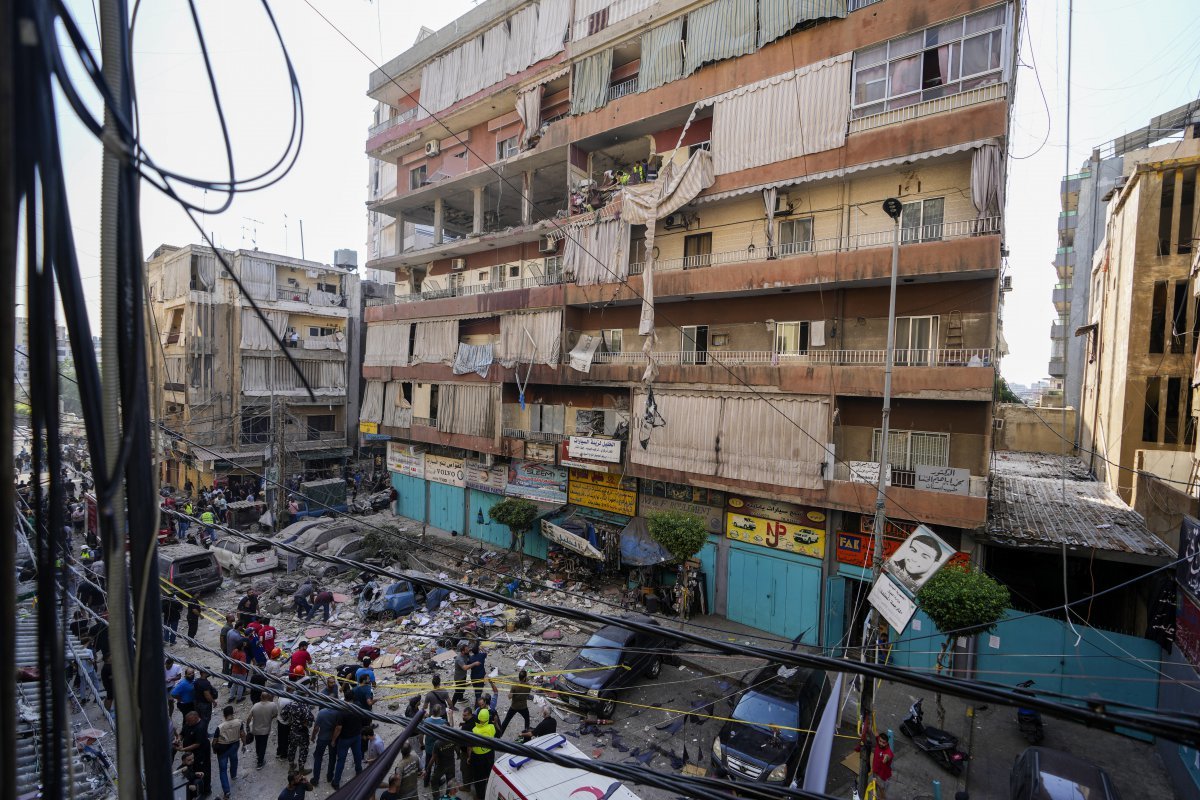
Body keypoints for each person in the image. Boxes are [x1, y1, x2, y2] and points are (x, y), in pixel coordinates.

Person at [212, 705, 246, 800]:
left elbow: (215, 741)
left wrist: (214, 749)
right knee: (234, 759)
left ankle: (227, 791)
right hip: (234, 744)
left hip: (222, 748)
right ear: (233, 713)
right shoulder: (239, 722)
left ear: (224, 715)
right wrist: (244, 744)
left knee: (223, 770)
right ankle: (233, 775)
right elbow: (242, 734)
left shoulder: (220, 727)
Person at [330, 705, 366, 789]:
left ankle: (336, 782)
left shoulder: (342, 711)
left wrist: (333, 740)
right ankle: (359, 771)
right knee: (357, 754)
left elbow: (338, 728)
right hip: (356, 736)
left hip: (344, 739)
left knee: (341, 760)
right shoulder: (358, 706)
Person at [179, 710, 213, 797]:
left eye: (189, 721)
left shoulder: (201, 726)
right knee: (191, 769)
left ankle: (206, 790)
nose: (187, 723)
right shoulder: (188, 723)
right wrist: (179, 739)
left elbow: (197, 744)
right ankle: (196, 788)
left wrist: (183, 749)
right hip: (190, 753)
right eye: (187, 721)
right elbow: (182, 732)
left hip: (200, 753)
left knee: (204, 770)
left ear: (196, 719)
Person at [426, 705, 457, 795]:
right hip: (451, 764)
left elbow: (433, 757)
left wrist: (428, 768)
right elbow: (457, 747)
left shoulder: (438, 743)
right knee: (450, 782)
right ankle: (448, 795)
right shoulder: (453, 738)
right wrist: (458, 754)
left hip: (440, 766)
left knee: (434, 781)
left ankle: (436, 797)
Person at [246, 692, 280, 770]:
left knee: (257, 743)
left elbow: (249, 718)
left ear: (261, 697)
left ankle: (258, 755)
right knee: (263, 745)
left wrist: (247, 727)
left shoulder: (255, 705)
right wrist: (270, 718)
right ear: (268, 697)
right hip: (265, 729)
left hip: (256, 729)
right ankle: (260, 762)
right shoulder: (272, 705)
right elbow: (275, 714)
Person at [467, 708, 496, 798]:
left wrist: (469, 757)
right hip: (490, 754)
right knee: (488, 773)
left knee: (478, 779)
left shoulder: (474, 731)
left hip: (478, 758)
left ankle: (480, 796)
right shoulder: (492, 727)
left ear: (479, 718)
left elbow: (470, 747)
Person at [310, 702, 340, 787]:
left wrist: (313, 737)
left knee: (318, 758)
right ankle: (330, 776)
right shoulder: (338, 713)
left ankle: (315, 779)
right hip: (332, 738)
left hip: (322, 738)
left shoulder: (322, 712)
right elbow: (338, 727)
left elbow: (316, 728)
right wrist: (334, 739)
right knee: (332, 757)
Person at [497, 669, 531, 737]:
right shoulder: (528, 686)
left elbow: (509, 697)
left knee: (506, 721)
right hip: (523, 706)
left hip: (514, 706)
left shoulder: (514, 686)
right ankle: (526, 737)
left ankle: (499, 735)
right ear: (524, 678)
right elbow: (527, 694)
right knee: (527, 721)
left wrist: (511, 693)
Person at [871, 732, 894, 799]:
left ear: (887, 743)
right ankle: (875, 795)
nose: (881, 743)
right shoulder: (878, 742)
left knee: (881, 790)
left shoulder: (888, 752)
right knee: (875, 785)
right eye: (880, 741)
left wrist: (886, 758)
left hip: (882, 776)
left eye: (883, 742)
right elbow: (877, 736)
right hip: (875, 771)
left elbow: (889, 756)